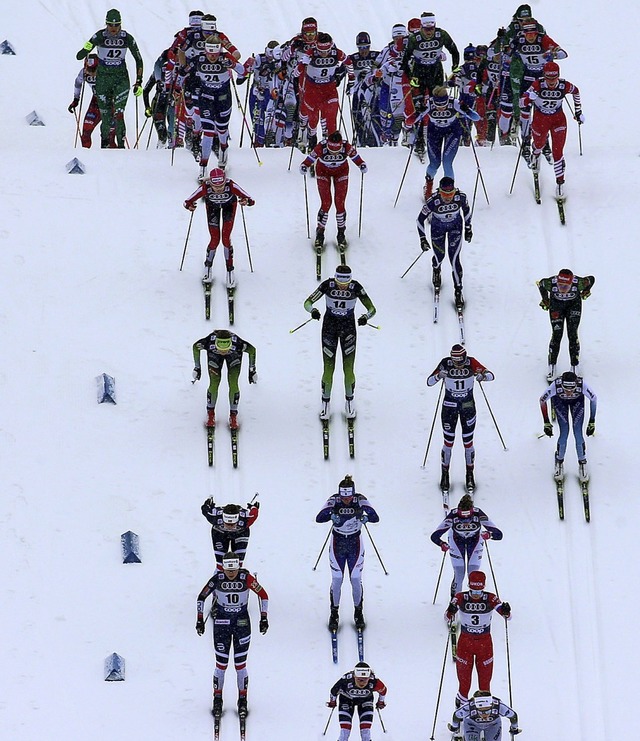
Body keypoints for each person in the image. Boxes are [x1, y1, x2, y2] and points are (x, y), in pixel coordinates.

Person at [196, 551, 269, 719]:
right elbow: (201, 597)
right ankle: (217, 699)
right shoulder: (218, 579)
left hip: (242, 624)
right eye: (228, 570)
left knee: (240, 665)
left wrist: (264, 617)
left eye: (233, 569)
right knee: (221, 665)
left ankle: (242, 701)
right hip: (221, 625)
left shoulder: (246, 578)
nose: (231, 574)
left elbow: (263, 596)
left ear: (238, 566)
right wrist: (200, 619)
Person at [303, 265, 377, 420]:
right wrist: (313, 311)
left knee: (348, 368)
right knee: (328, 369)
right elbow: (307, 302)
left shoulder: (356, 287)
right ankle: (325, 403)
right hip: (329, 328)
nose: (342, 286)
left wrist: (365, 317)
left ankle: (349, 402)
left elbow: (372, 309)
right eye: (339, 282)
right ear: (335, 278)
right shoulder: (327, 285)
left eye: (345, 282)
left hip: (348, 330)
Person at [426, 345, 494, 492]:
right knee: (448, 442)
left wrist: (482, 376)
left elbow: (491, 375)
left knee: (468, 443)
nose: (458, 364)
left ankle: (470, 475)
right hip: (449, 407)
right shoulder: (445, 363)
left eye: (460, 362)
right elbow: (429, 382)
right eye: (455, 362)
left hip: (467, 407)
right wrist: (439, 376)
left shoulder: (471, 362)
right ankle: (445, 474)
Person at [177, 33, 247, 176]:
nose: (212, 57)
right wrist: (177, 85)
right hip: (206, 98)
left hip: (223, 99)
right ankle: (203, 168)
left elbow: (243, 72)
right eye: (210, 53)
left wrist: (232, 64)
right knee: (208, 132)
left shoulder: (226, 58)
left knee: (221, 130)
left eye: (215, 54)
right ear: (206, 51)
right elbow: (183, 71)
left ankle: (223, 148)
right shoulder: (200, 59)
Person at [316, 475, 380, 630]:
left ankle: (358, 612)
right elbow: (319, 518)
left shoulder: (360, 499)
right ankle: (334, 613)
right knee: (337, 579)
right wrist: (331, 515)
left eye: (348, 497)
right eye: (343, 497)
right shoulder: (334, 500)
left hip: (355, 544)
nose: (346, 500)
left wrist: (365, 517)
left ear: (353, 493)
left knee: (356, 578)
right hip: (338, 543)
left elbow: (375, 517)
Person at [76, 8, 144, 148]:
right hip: (103, 80)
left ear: (121, 24)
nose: (113, 29)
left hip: (120, 79)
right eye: (110, 25)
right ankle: (105, 145)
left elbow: (138, 59)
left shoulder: (127, 38)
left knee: (119, 113)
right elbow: (80, 55)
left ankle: (121, 146)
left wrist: (139, 81)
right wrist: (87, 48)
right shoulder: (100, 36)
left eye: (116, 25)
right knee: (106, 117)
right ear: (106, 24)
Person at [446, 570, 511, 707]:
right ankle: (461, 712)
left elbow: (508, 617)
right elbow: (446, 617)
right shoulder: (460, 597)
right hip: (465, 643)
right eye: (473, 591)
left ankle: (484, 712)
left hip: (485, 643)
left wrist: (506, 610)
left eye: (479, 591)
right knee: (464, 683)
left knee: (485, 683)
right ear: (469, 586)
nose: (476, 595)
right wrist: (451, 610)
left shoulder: (490, 598)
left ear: (483, 587)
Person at [184, 167, 255, 288]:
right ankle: (208, 266)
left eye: (221, 186)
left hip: (229, 207)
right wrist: (190, 206)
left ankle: (230, 269)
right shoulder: (205, 187)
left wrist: (245, 201)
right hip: (212, 208)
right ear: (210, 183)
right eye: (215, 187)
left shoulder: (231, 185)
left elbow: (251, 200)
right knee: (215, 239)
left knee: (226, 238)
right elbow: (187, 201)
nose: (218, 189)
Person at [520, 61, 583, 197]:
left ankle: (560, 183)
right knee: (539, 144)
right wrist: (528, 98)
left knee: (557, 152)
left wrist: (578, 111)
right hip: (540, 119)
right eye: (549, 78)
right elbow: (521, 102)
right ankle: (535, 155)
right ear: (544, 76)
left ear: (558, 76)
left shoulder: (563, 85)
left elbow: (576, 91)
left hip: (558, 120)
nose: (551, 82)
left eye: (554, 78)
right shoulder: (537, 85)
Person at [299, 131, 367, 250]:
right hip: (322, 171)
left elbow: (355, 156)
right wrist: (304, 165)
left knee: (340, 203)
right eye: (331, 150)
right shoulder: (322, 146)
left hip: (341, 172)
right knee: (326, 203)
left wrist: (361, 164)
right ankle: (320, 233)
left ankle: (341, 233)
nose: (334, 153)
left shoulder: (346, 146)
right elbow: (310, 158)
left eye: (336, 151)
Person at [431, 494, 503, 597]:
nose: (465, 521)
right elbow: (434, 536)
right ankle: (454, 602)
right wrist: (441, 544)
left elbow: (499, 535)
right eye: (462, 517)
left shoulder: (478, 513)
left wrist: (489, 534)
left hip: (475, 541)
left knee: (473, 573)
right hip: (456, 541)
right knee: (459, 573)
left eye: (468, 517)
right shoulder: (453, 515)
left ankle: (474, 598)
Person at [417, 176, 472, 307]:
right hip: (438, 230)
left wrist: (468, 228)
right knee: (439, 256)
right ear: (439, 191)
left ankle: (458, 291)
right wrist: (422, 239)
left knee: (454, 260)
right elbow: (419, 220)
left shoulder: (461, 197)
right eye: (444, 194)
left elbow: (467, 211)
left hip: (455, 228)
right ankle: (436, 269)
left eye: (451, 194)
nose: (448, 198)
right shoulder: (433, 201)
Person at [294, 32, 353, 152]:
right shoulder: (311, 53)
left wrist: (351, 79)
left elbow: (348, 62)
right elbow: (295, 73)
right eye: (321, 51)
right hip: (312, 90)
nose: (324, 54)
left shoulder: (337, 53)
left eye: (327, 50)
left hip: (329, 89)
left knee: (331, 118)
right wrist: (302, 64)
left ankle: (331, 146)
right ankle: (311, 137)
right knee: (313, 119)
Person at [420, 86, 480, 200]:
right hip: (434, 132)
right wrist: (419, 110)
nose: (441, 108)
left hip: (452, 131)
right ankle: (428, 187)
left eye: (444, 105)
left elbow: (476, 117)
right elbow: (410, 120)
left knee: (447, 162)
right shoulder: (429, 104)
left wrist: (466, 109)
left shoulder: (455, 102)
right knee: (434, 164)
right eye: (438, 106)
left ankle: (448, 191)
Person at [192, 329, 257, 429]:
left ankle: (233, 415)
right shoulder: (209, 341)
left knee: (233, 383)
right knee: (214, 383)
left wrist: (252, 370)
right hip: (214, 357)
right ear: (216, 344)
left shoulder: (238, 343)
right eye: (220, 349)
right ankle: (210, 414)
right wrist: (197, 367)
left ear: (231, 344)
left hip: (234, 356)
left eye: (226, 349)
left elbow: (252, 350)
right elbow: (195, 347)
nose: (223, 352)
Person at [537, 268, 595, 380]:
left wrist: (586, 291)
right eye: (560, 286)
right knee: (557, 334)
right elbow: (541, 284)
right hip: (557, 306)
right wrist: (545, 299)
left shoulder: (579, 283)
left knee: (572, 333)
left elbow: (591, 279)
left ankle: (574, 366)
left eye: (566, 287)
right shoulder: (550, 282)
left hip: (574, 306)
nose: (563, 289)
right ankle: (552, 366)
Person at [540, 371, 597, 483]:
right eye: (565, 388)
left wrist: (592, 421)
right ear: (561, 384)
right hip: (560, 403)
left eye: (572, 389)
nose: (569, 392)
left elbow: (593, 398)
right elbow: (542, 400)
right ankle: (559, 462)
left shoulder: (582, 384)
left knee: (578, 434)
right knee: (564, 433)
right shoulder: (556, 385)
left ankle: (582, 463)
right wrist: (546, 422)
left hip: (577, 403)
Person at [401, 12, 459, 97]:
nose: (429, 32)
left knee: (438, 95)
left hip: (435, 68)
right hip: (419, 69)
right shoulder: (414, 38)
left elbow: (454, 50)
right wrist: (411, 76)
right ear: (421, 27)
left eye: (432, 28)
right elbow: (405, 59)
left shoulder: (442, 34)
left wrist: (455, 66)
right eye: (426, 29)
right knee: (419, 97)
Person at [327, 662, 387, 741]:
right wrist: (332, 702)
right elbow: (333, 691)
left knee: (366, 730)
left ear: (369, 677)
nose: (362, 682)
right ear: (354, 676)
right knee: (345, 731)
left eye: (365, 679)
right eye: (359, 679)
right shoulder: (346, 680)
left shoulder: (374, 682)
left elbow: (383, 691)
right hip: (346, 700)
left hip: (366, 700)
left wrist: (381, 702)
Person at [68, 54, 116, 148]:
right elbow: (78, 83)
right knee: (86, 132)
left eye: (94, 70)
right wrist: (76, 100)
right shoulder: (84, 72)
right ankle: (86, 156)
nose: (91, 73)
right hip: (96, 102)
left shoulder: (107, 71)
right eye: (89, 70)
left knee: (108, 137)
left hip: (110, 104)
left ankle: (116, 158)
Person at [200, 499, 260, 569]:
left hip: (240, 534)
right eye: (227, 524)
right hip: (219, 534)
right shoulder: (215, 517)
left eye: (233, 524)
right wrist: (208, 505)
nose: (230, 527)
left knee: (238, 563)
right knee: (220, 563)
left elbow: (254, 514)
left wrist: (253, 507)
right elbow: (205, 510)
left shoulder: (245, 519)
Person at [448, 690, 521, 740]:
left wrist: (514, 728)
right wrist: (455, 727)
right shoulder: (469, 707)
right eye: (481, 712)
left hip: (493, 724)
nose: (484, 715)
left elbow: (513, 715)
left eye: (487, 711)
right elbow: (457, 715)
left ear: (492, 705)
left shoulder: (498, 706)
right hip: (472, 724)